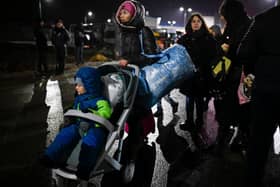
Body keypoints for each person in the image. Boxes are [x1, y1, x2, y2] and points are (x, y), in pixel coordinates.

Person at [40, 67, 112, 186]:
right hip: (79, 126)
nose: (76, 88)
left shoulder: (100, 101)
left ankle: (84, 169)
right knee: (65, 134)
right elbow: (75, 109)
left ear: (89, 86)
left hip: (94, 128)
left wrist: (91, 115)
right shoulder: (79, 98)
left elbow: (106, 113)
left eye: (79, 85)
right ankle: (50, 156)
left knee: (91, 143)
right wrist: (72, 114)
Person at [237, 0, 280, 186]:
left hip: (266, 88)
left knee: (259, 142)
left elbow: (243, 52)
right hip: (266, 85)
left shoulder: (264, 19)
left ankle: (252, 181)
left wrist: (258, 69)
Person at [115, 0, 158, 167]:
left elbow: (151, 55)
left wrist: (130, 60)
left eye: (125, 12)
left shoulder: (143, 32)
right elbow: (117, 55)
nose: (121, 15)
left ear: (134, 14)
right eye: (121, 12)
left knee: (135, 114)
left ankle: (132, 156)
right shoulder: (120, 32)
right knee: (121, 111)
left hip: (138, 79)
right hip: (122, 78)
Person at [214, 0, 253, 156]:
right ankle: (233, 139)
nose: (223, 18)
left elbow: (243, 52)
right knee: (239, 109)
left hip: (242, 76)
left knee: (240, 108)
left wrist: (228, 49)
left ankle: (234, 140)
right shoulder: (239, 24)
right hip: (238, 75)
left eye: (224, 15)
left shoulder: (246, 26)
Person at [177, 12, 220, 149]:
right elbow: (177, 53)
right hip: (189, 75)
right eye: (193, 21)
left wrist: (204, 67)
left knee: (200, 99)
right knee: (189, 98)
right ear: (190, 24)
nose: (195, 23)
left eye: (198, 21)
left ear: (202, 23)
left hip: (203, 75)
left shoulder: (209, 38)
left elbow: (215, 56)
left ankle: (199, 122)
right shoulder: (184, 39)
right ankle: (189, 121)